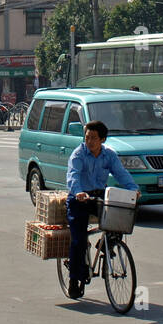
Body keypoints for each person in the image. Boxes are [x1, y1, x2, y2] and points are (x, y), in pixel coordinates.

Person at [64, 120, 138, 300]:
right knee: (78, 241)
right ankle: (74, 280)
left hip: (99, 196)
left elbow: (121, 173)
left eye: (94, 138)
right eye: (87, 137)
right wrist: (79, 192)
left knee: (119, 220)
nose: (89, 141)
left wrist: (133, 189)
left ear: (103, 139)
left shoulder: (109, 155)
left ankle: (107, 244)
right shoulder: (78, 154)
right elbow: (72, 176)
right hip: (79, 198)